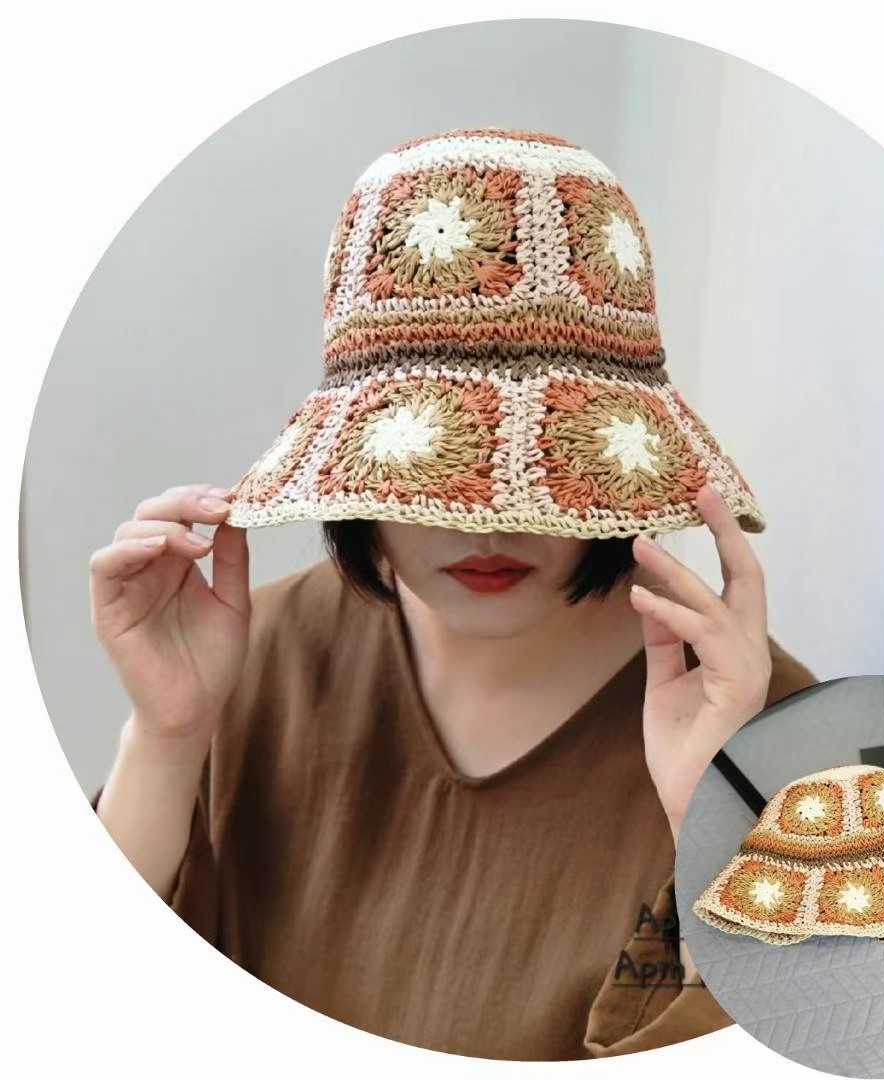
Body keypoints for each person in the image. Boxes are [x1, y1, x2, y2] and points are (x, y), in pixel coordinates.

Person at [87, 127, 817, 1060]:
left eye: (545, 464)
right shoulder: (254, 656)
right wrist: (164, 739)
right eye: (436, 461)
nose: (485, 526)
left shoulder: (767, 727)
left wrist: (714, 829)